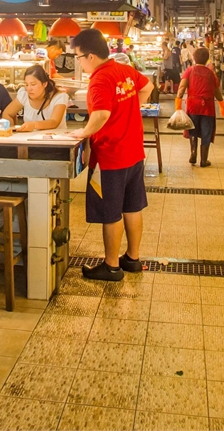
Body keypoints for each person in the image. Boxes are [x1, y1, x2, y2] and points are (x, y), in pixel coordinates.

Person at [69, 28, 153, 281]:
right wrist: (128, 110)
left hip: (111, 156)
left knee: (111, 212)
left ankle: (112, 266)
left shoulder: (99, 79)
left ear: (91, 56)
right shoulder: (125, 71)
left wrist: (83, 133)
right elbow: (148, 86)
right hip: (134, 151)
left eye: (78, 57)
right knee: (133, 206)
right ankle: (133, 259)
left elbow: (102, 114)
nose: (80, 63)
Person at [176, 47, 224, 167]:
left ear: (194, 58)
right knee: (206, 132)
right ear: (207, 59)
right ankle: (204, 160)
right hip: (207, 107)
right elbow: (217, 91)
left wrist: (178, 103)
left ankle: (193, 154)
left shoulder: (190, 70)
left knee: (192, 129)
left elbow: (182, 87)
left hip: (193, 105)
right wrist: (222, 105)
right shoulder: (211, 73)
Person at [3, 64, 68, 131]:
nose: (29, 88)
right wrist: (11, 131)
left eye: (33, 84)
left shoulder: (59, 97)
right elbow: (7, 114)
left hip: (56, 139)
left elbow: (54, 122)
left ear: (44, 84)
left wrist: (34, 125)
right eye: (26, 84)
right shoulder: (24, 95)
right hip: (29, 140)